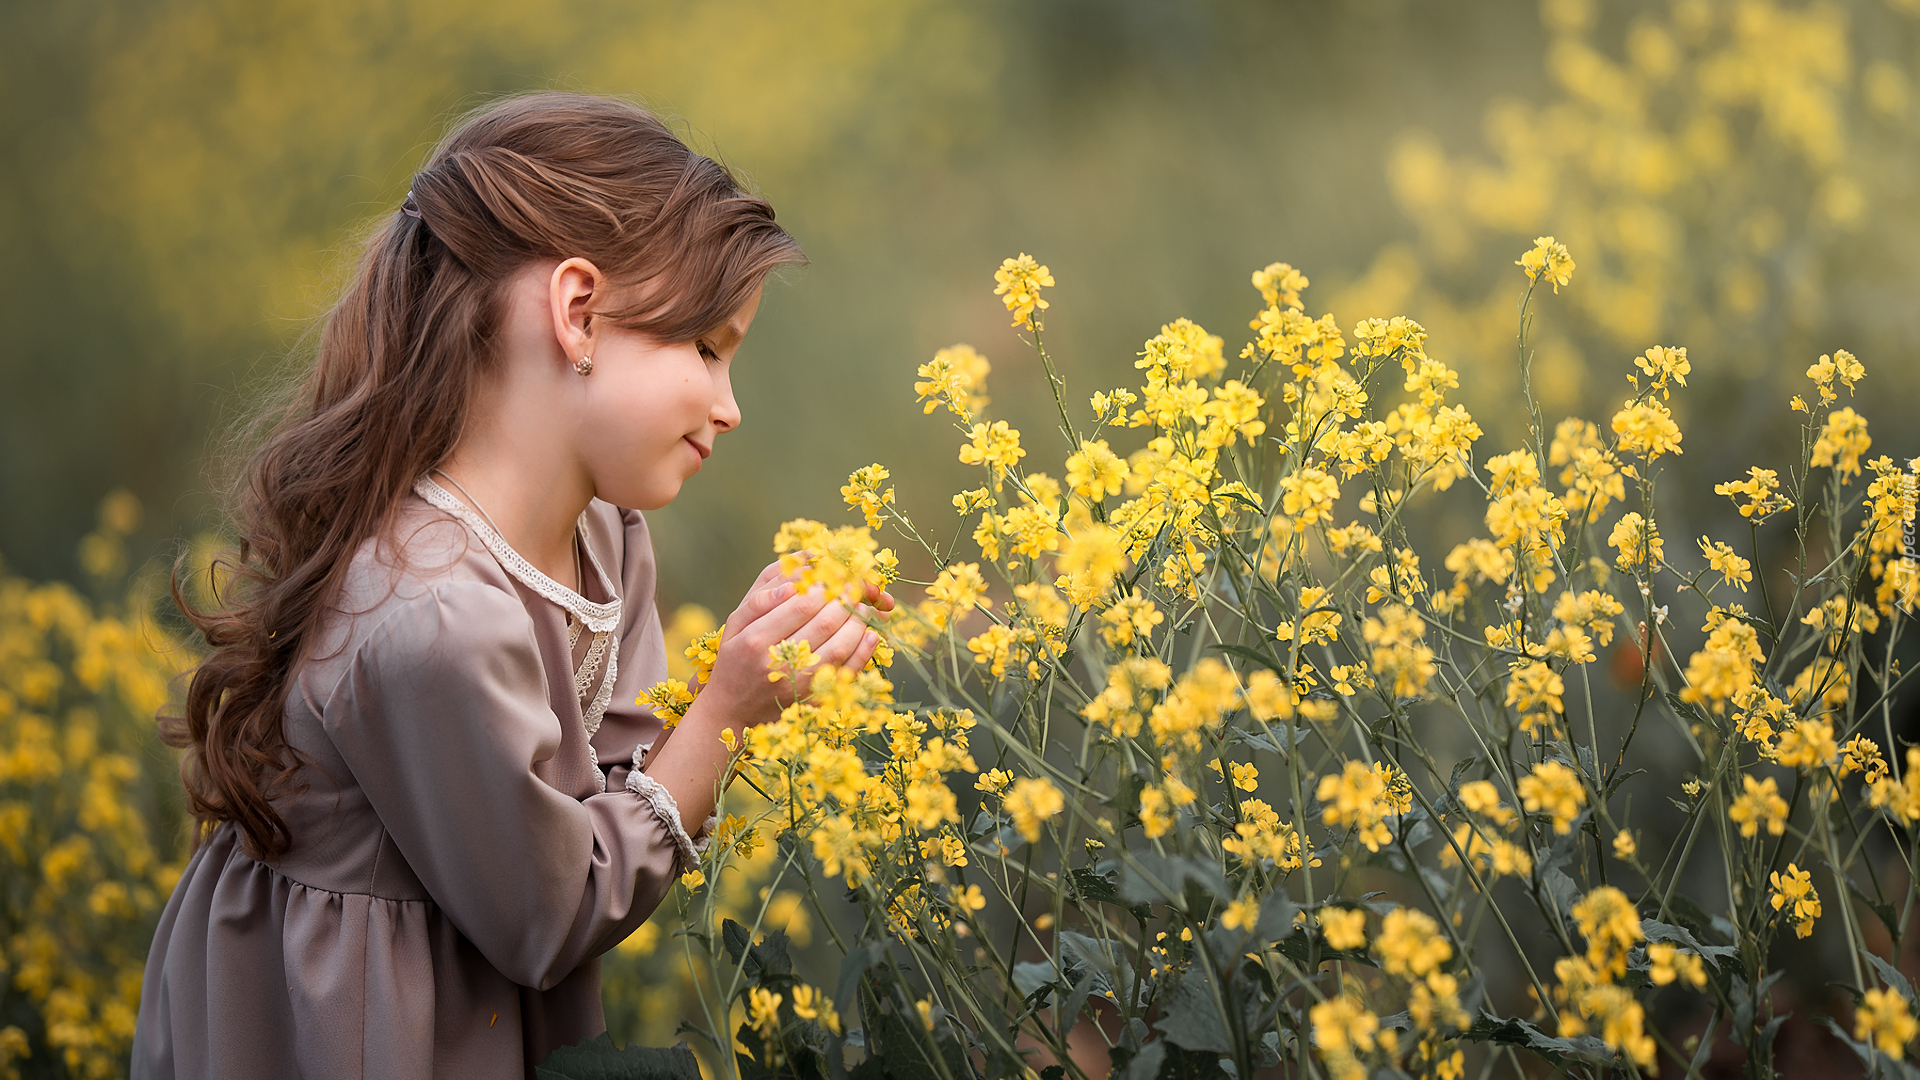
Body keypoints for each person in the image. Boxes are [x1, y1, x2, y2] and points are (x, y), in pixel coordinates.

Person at [131, 92, 887, 1080]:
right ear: (577, 313)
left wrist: (742, 661)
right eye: (706, 348)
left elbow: (622, 784)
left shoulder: (607, 534)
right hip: (345, 1026)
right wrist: (730, 717)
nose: (728, 406)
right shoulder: (429, 611)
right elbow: (553, 911)